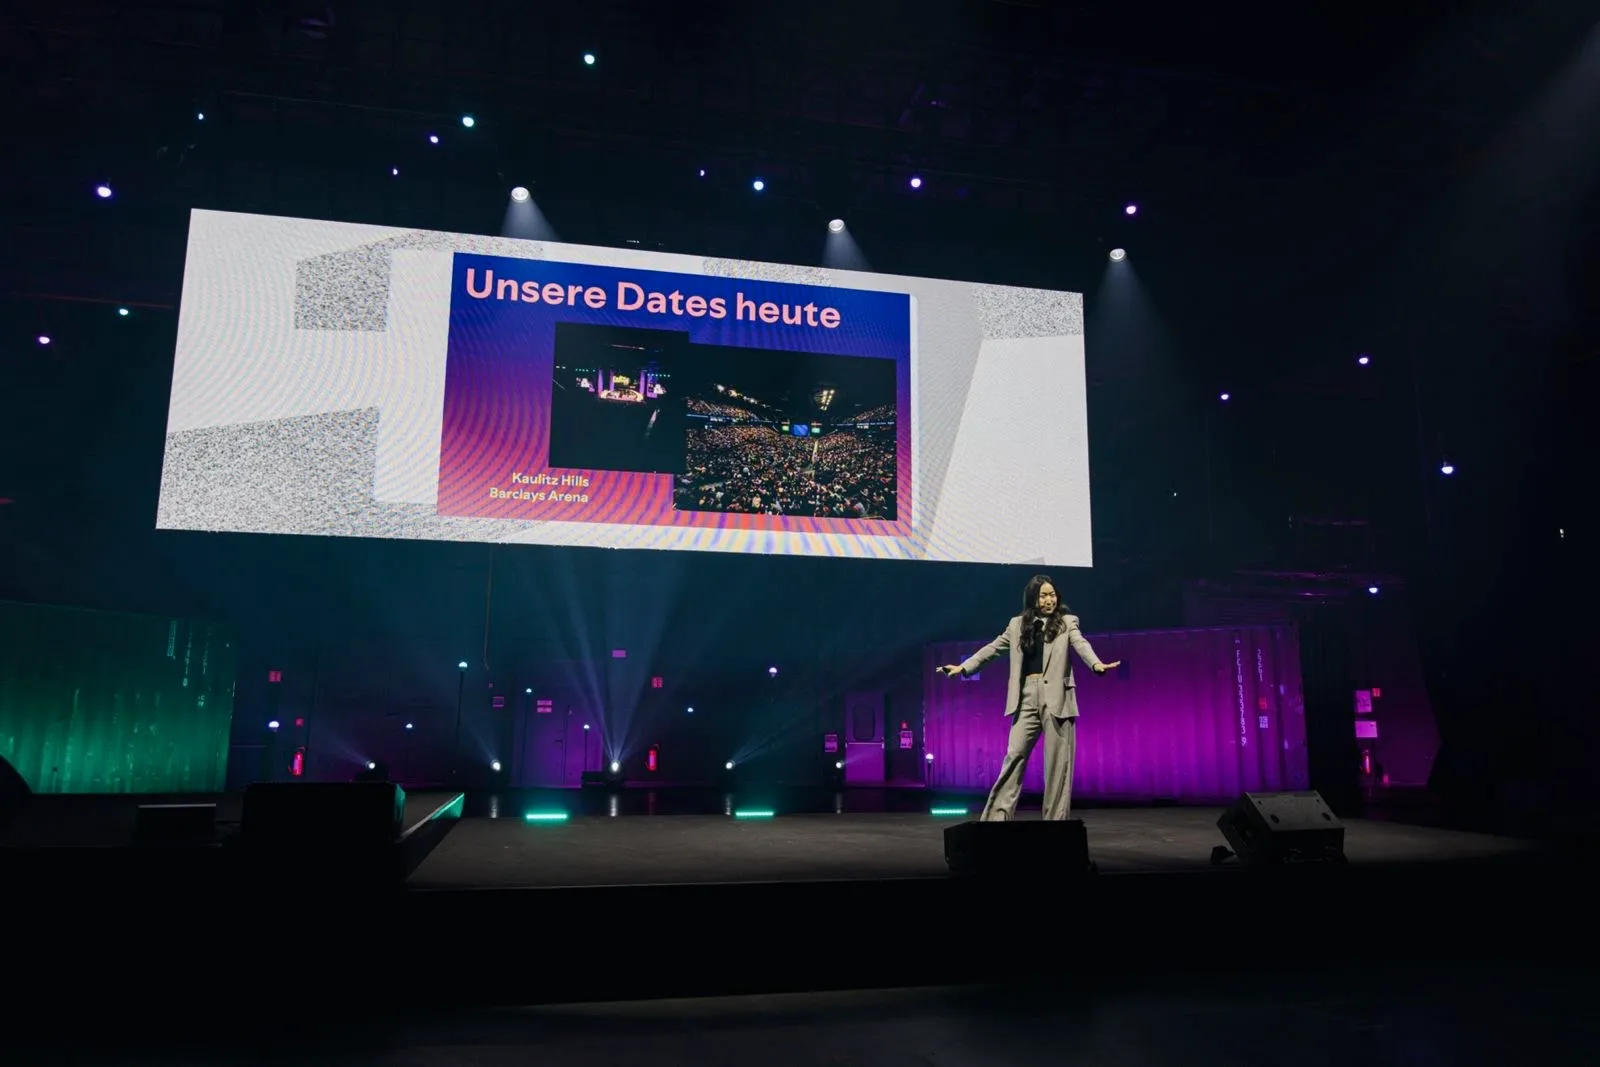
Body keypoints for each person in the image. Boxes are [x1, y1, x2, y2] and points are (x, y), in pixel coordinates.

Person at [938, 575, 1120, 821]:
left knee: (1058, 764)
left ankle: (1055, 823)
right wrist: (964, 667)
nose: (1049, 600)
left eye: (1052, 595)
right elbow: (992, 649)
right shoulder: (1016, 625)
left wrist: (1096, 664)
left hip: (1058, 697)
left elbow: (1081, 643)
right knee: (1014, 755)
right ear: (1033, 599)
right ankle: (995, 820)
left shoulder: (1067, 622)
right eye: (1043, 596)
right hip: (1025, 696)